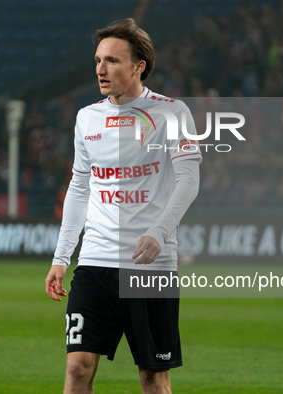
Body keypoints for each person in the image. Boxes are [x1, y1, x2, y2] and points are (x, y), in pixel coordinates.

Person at [45, 18, 201, 393]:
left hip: (149, 268)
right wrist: (62, 257)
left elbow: (189, 180)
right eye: (98, 60)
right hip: (95, 263)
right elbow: (80, 188)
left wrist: (160, 234)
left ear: (138, 67)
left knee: (153, 377)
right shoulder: (87, 118)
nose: (101, 68)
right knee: (77, 369)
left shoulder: (172, 113)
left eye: (113, 60)